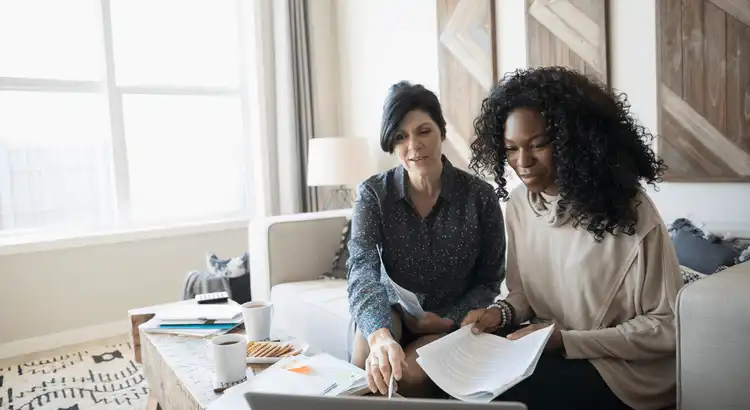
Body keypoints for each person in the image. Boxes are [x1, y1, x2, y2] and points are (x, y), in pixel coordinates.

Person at [462, 67, 683, 410]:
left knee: (510, 393)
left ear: (573, 141)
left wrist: (568, 342)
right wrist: (499, 313)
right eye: (511, 149)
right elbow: (525, 295)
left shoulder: (629, 210)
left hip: (627, 371)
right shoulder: (519, 205)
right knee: (470, 375)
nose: (523, 162)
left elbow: (667, 327)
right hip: (554, 348)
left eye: (538, 145)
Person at [347, 81, 506, 398]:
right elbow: (362, 268)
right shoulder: (374, 194)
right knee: (368, 366)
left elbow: (490, 279)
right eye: (400, 137)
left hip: (450, 321)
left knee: (404, 376)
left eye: (423, 131)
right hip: (390, 312)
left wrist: (450, 319)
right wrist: (380, 335)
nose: (413, 145)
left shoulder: (481, 197)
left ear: (441, 131)